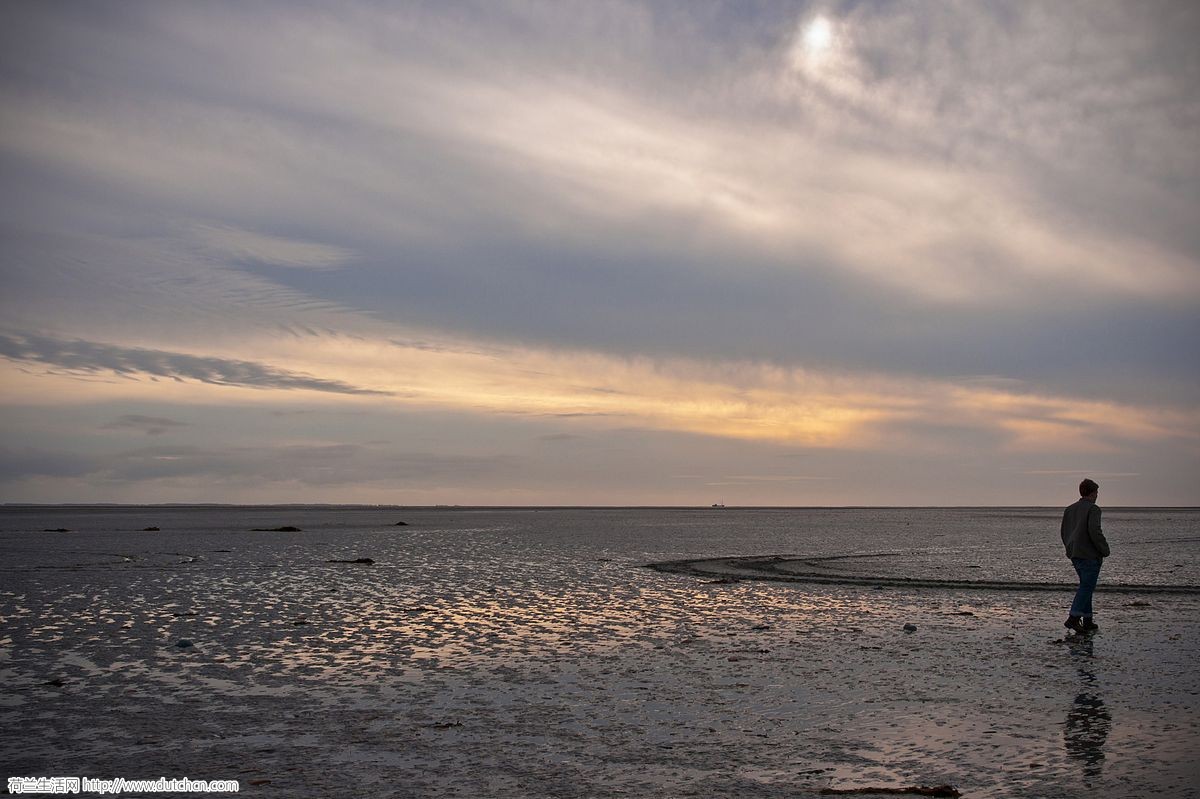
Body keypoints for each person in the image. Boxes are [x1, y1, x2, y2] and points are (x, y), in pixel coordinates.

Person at [1060, 478, 1110, 633]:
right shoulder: (1093, 509)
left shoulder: (1070, 509)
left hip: (1075, 553)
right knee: (1087, 586)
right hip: (1089, 554)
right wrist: (1104, 549)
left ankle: (1087, 619)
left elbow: (1064, 532)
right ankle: (1073, 618)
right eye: (1096, 492)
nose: (1097, 495)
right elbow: (1095, 531)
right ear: (1092, 493)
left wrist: (1069, 548)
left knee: (1086, 586)